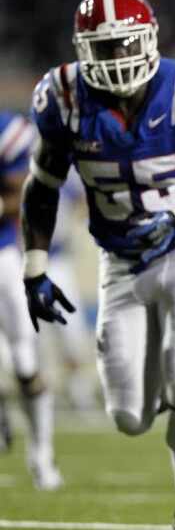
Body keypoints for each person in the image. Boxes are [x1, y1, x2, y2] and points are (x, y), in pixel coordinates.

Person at [22, 0, 175, 529]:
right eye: (104, 47)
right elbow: (42, 187)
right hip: (119, 263)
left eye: (124, 44)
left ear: (148, 40)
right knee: (129, 418)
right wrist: (36, 266)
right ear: (82, 49)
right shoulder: (64, 98)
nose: (116, 58)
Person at [0, 111, 62, 490]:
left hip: (4, 259)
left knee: (25, 362)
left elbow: (21, 193)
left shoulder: (8, 132)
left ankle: (41, 454)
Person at [40, 169, 98, 410]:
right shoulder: (16, 167)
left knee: (71, 331)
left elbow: (82, 201)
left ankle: (79, 392)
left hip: (57, 259)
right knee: (30, 336)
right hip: (21, 260)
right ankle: (41, 396)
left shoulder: (62, 169)